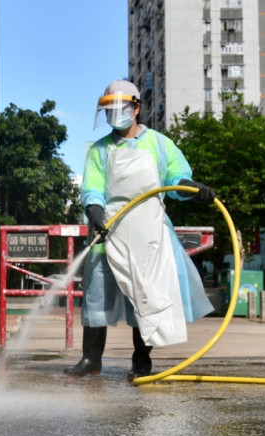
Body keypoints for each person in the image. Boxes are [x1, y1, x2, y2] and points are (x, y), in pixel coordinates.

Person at [64, 79, 215, 380]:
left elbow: (175, 180)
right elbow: (92, 188)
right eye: (108, 110)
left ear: (136, 108)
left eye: (119, 108)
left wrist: (194, 189)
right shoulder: (100, 149)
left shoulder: (159, 144)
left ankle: (141, 364)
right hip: (109, 232)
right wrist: (94, 212)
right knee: (96, 296)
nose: (114, 115)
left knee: (145, 298)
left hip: (150, 234)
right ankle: (91, 359)